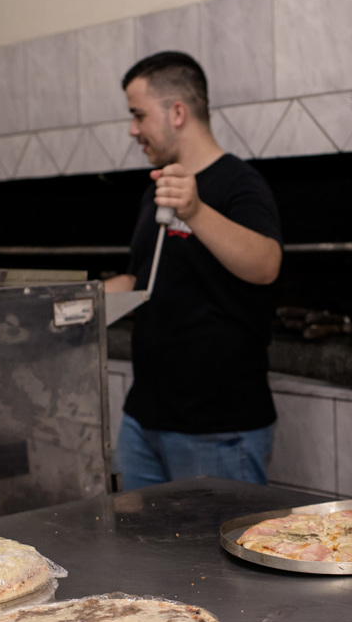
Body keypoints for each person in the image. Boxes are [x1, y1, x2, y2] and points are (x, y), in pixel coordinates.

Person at [105, 51, 283, 490]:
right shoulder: (156, 190)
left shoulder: (239, 183)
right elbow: (139, 279)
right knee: (141, 555)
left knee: (215, 559)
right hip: (142, 421)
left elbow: (266, 264)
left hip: (219, 429)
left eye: (139, 115)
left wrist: (196, 210)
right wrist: (60, 306)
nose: (133, 129)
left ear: (178, 112)